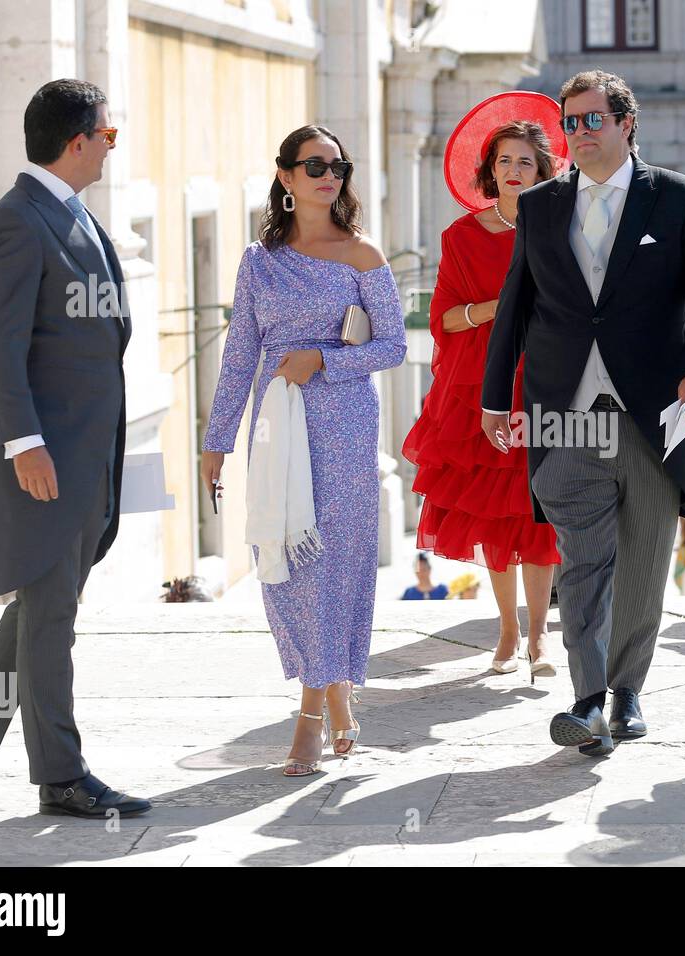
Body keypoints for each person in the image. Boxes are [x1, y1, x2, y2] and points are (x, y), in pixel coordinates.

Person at [481, 70, 685, 757]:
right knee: (583, 560)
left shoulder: (678, 200)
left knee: (646, 561)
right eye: (572, 122)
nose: (581, 132)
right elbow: (515, 305)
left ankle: (626, 693)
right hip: (563, 411)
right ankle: (589, 697)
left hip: (653, 411)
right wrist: (495, 395)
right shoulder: (538, 206)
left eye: (595, 119)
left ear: (627, 124)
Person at [0, 79, 152, 817]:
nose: (112, 150)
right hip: (43, 456)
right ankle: (60, 775)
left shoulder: (73, 213)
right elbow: (1, 344)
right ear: (78, 140)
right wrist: (25, 444)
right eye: (108, 137)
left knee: (46, 604)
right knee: (51, 614)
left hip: (86, 453)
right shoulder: (16, 223)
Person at [201, 125, 407, 776]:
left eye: (337, 165)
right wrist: (216, 442)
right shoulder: (258, 261)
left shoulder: (362, 255)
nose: (328, 175)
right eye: (313, 165)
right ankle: (337, 689)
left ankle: (310, 715)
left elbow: (392, 347)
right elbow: (239, 357)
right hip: (275, 428)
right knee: (286, 559)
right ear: (286, 178)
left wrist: (323, 359)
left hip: (345, 422)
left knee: (333, 561)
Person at [402, 94, 567, 679]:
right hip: (483, 388)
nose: (515, 171)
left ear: (543, 171)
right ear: (489, 170)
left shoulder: (561, 228)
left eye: (526, 161)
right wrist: (498, 310)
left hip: (547, 385)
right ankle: (506, 632)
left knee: (538, 513)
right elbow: (443, 318)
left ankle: (542, 638)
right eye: (505, 161)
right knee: (497, 517)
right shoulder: (461, 237)